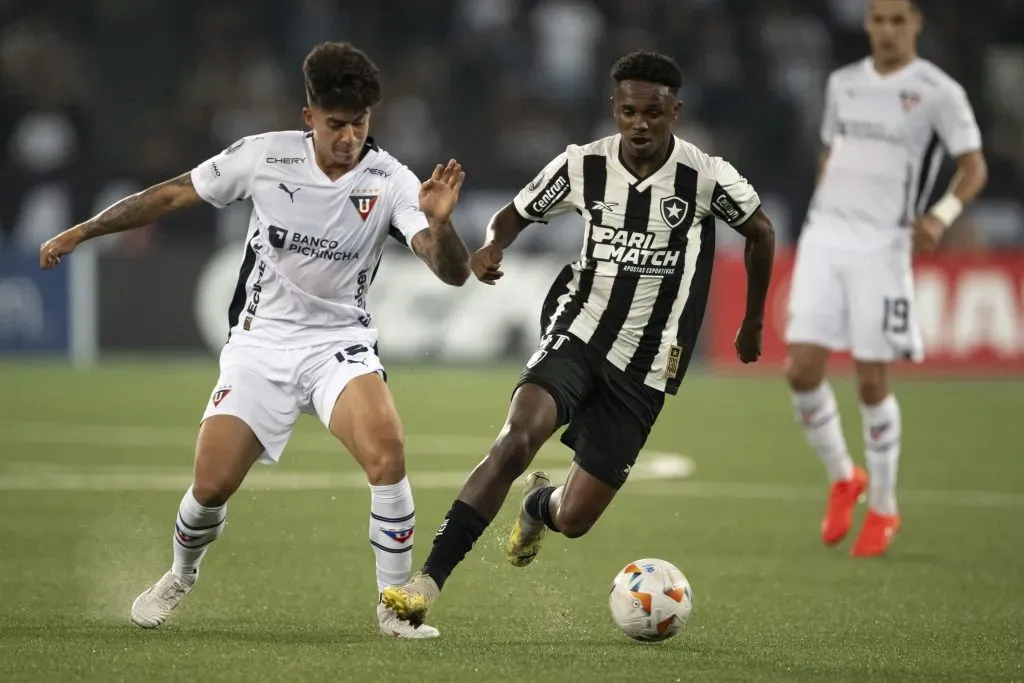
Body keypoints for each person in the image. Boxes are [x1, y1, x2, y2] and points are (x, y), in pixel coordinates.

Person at [39, 42, 471, 638]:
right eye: (336, 124)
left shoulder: (392, 178)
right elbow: (169, 195)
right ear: (309, 117)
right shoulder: (264, 157)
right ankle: (180, 574)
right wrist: (83, 232)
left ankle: (392, 608)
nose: (349, 137)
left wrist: (442, 225)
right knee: (211, 486)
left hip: (337, 345)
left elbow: (449, 271)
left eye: (360, 124)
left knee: (387, 454)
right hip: (259, 344)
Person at [381, 50, 776, 626]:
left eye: (654, 114)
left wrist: (752, 320)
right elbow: (513, 214)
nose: (639, 125)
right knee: (516, 439)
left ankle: (539, 505)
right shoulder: (582, 166)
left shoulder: (704, 176)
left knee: (574, 518)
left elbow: (760, 232)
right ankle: (427, 582)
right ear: (614, 109)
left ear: (676, 112)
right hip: (579, 329)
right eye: (629, 111)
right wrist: (493, 247)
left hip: (645, 365)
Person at [783, 0, 988, 556]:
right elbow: (831, 153)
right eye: (879, 20)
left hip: (882, 245)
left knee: (871, 380)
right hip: (826, 236)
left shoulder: (939, 91)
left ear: (916, 24)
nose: (888, 30)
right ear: (868, 24)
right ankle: (844, 476)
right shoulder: (843, 84)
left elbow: (975, 167)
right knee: (800, 371)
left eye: (899, 20)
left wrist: (941, 217)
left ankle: (886, 506)